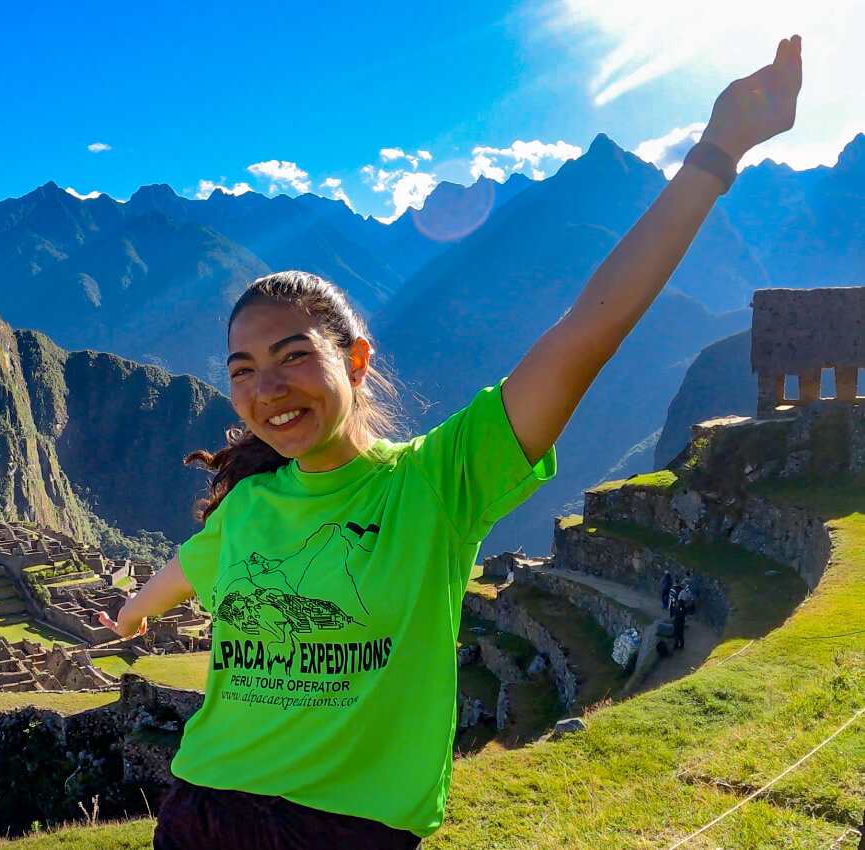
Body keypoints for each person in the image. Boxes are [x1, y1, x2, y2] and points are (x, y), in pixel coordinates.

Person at [98, 37, 803, 849]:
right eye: (244, 370)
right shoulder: (251, 504)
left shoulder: (437, 482)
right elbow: (184, 570)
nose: (269, 388)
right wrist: (131, 613)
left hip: (346, 830)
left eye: (295, 356)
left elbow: (592, 326)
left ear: (356, 360)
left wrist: (715, 155)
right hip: (201, 809)